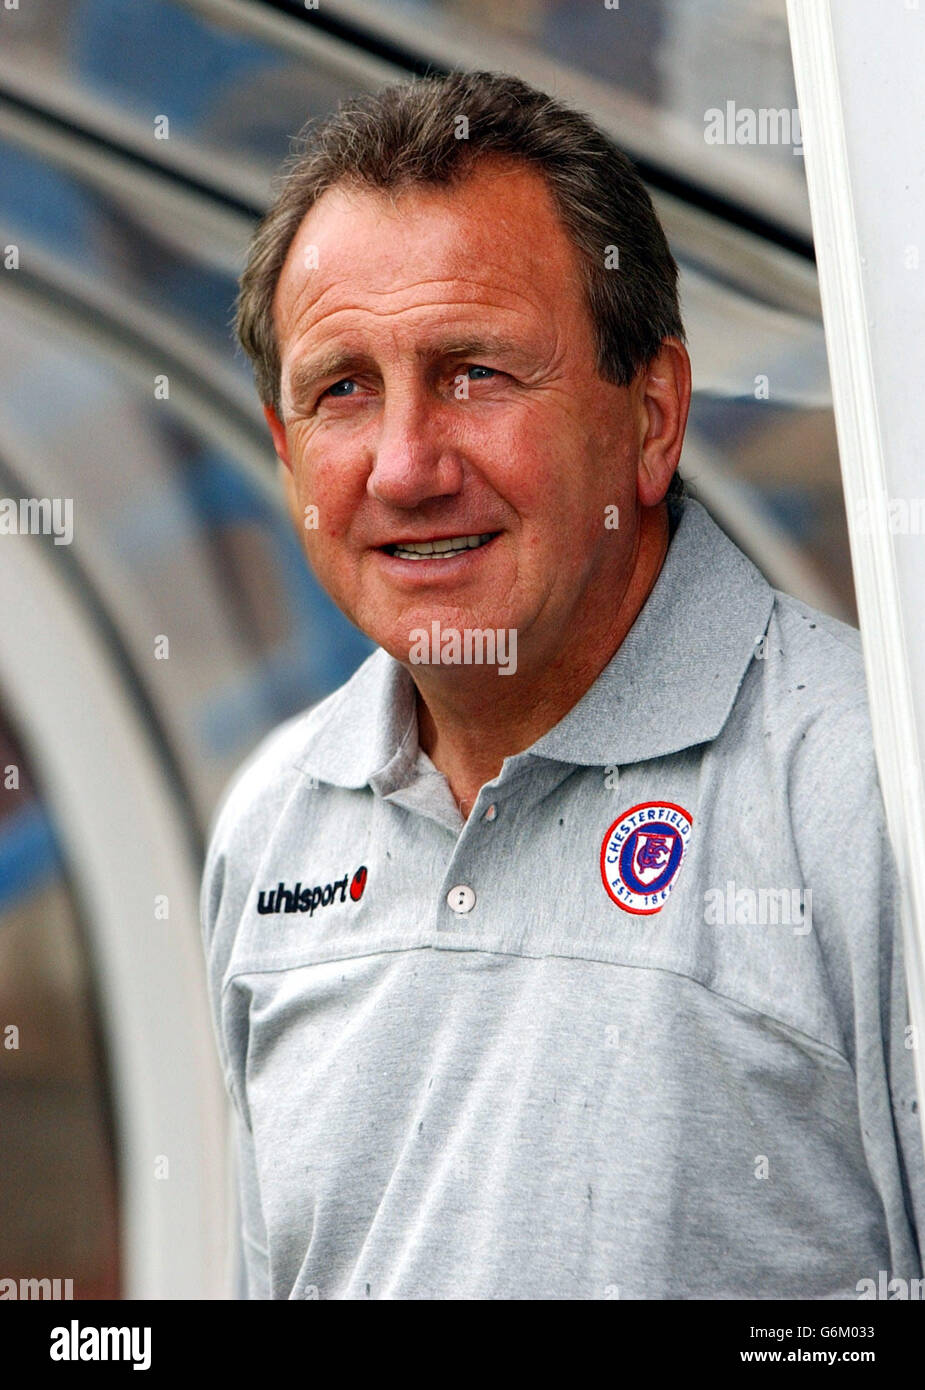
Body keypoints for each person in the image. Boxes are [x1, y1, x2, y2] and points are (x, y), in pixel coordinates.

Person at [200, 70, 924, 1299]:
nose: (406, 465)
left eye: (475, 371)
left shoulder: (868, 791)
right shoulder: (275, 822)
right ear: (282, 450)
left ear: (650, 418)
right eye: (342, 391)